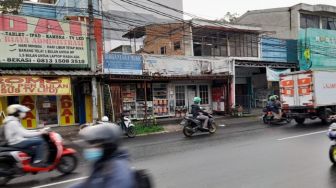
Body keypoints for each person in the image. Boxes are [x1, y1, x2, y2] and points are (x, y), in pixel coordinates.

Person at [70, 124, 135, 188]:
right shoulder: (100, 163)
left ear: (107, 146)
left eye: (93, 144)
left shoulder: (118, 168)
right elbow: (89, 183)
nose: (89, 148)